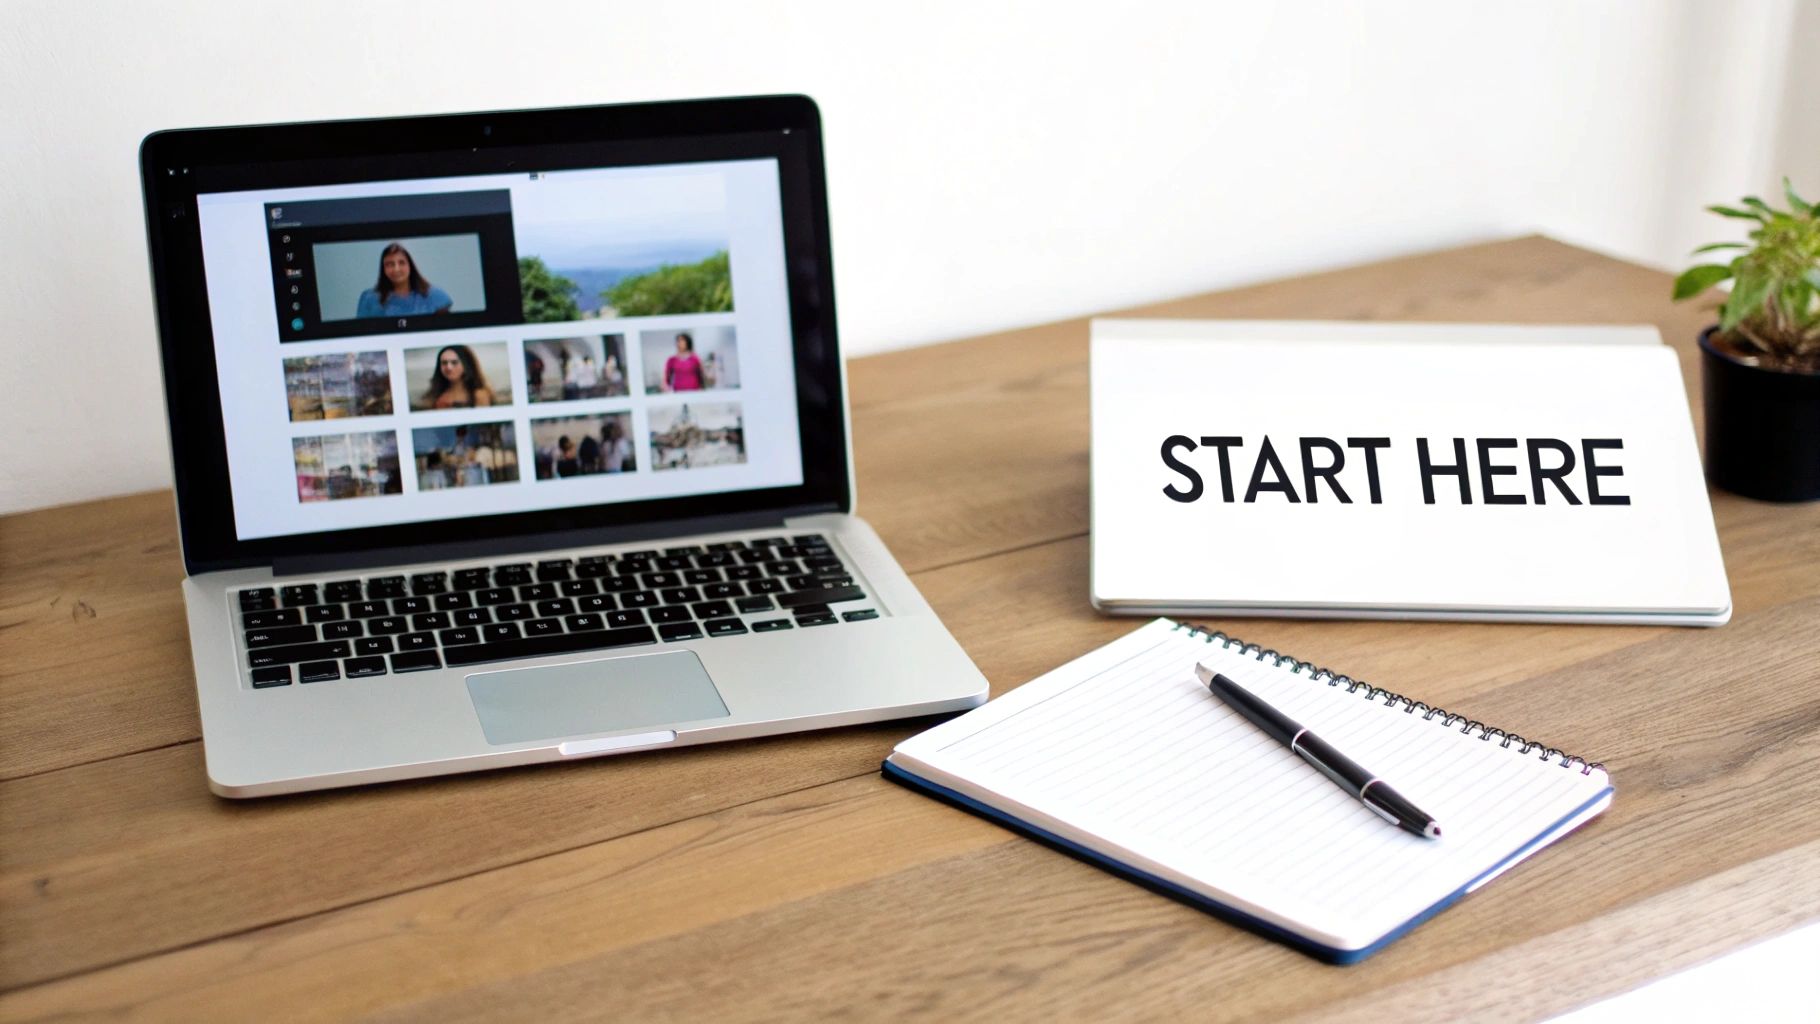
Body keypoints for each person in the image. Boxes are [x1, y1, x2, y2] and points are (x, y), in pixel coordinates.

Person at [354, 243, 453, 318]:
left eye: (401, 263)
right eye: (390, 264)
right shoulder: (370, 299)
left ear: (410, 266)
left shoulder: (435, 295)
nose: (396, 269)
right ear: (383, 269)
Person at [422, 345, 495, 409]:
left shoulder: (479, 395)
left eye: (454, 362)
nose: (449, 367)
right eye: (444, 363)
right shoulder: (435, 396)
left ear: (466, 365)